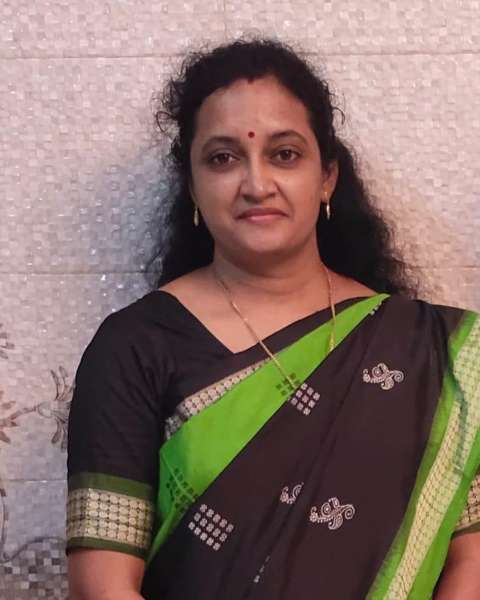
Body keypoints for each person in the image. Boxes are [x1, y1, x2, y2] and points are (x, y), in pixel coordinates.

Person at [66, 37, 480, 600]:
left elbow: (470, 558)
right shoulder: (135, 346)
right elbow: (102, 585)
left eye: (284, 154)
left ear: (327, 177)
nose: (257, 185)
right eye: (222, 158)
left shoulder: (430, 349)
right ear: (192, 186)